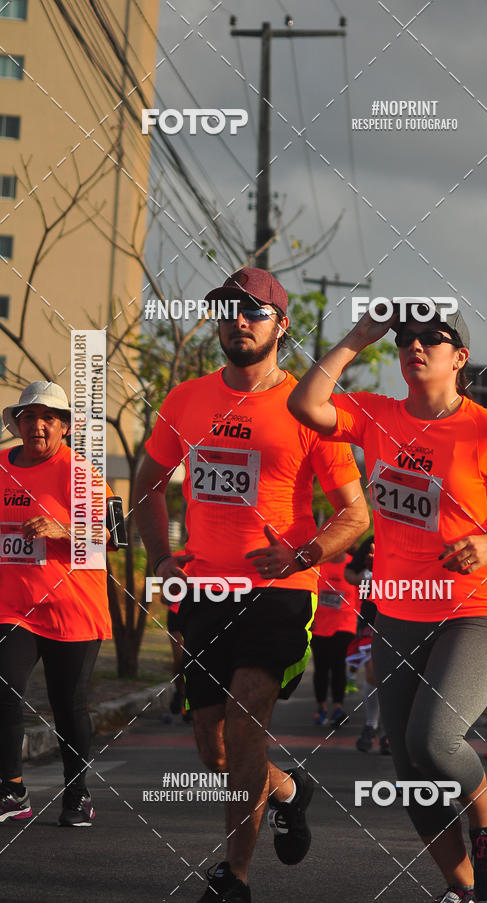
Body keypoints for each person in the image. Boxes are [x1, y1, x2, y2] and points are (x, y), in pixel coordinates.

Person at [288, 300, 487, 903]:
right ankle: (464, 889)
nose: (414, 346)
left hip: (476, 610)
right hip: (398, 613)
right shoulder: (377, 416)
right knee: (411, 773)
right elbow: (305, 404)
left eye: (432, 338)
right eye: (405, 338)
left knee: (435, 741)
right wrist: (361, 335)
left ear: (459, 358)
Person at [133, 268, 369, 903]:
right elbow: (146, 484)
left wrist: (304, 554)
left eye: (254, 311)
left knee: (244, 718)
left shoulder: (307, 409)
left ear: (280, 325)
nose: (239, 319)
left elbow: (356, 513)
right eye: (229, 309)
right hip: (202, 591)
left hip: (280, 590)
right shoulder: (186, 399)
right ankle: (288, 789)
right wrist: (161, 559)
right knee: (213, 749)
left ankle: (232, 875)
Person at [0, 381, 113, 827]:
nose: (38, 426)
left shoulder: (80, 473)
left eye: (49, 418)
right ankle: (12, 789)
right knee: (4, 687)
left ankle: (78, 792)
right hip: (13, 607)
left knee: (69, 704)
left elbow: (109, 535)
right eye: (30, 417)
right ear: (18, 425)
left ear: (64, 427)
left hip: (73, 608)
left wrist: (62, 529)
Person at [344, 535, 390, 754]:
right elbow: (349, 573)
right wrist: (366, 575)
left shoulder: (411, 542)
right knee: (372, 671)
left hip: (403, 616)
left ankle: (389, 732)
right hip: (371, 618)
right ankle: (371, 725)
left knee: (396, 676)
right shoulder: (371, 541)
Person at [311, 551, 357, 727]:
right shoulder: (319, 564)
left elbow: (361, 591)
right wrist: (311, 616)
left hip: (345, 623)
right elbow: (310, 590)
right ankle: (321, 707)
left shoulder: (352, 565)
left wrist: (360, 617)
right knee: (321, 667)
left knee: (339, 665)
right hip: (320, 624)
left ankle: (338, 707)